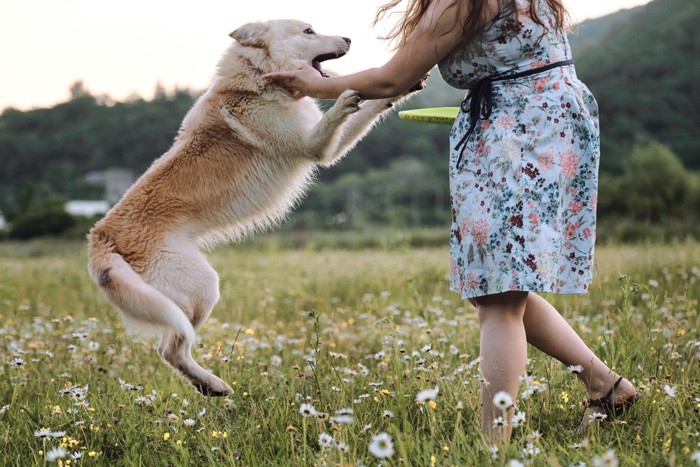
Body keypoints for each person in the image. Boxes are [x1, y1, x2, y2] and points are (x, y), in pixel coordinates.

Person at [264, 0, 638, 443]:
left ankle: (492, 446)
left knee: (498, 296)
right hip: (533, 122)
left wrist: (314, 85)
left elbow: (393, 78)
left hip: (521, 133)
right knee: (496, 287)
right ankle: (608, 387)